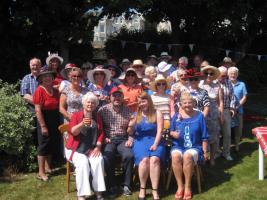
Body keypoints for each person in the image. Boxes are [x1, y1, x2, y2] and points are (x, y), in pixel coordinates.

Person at [65, 92, 106, 200]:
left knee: (98, 161)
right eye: (88, 102)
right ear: (84, 103)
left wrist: (98, 147)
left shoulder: (97, 117)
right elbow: (73, 132)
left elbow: (101, 133)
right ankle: (81, 194)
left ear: (95, 105)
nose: (90, 104)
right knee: (83, 163)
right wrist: (82, 124)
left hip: (91, 148)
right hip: (76, 149)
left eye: (93, 103)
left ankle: (98, 192)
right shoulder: (76, 115)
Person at [170, 92, 208, 200]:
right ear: (181, 104)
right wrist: (173, 134)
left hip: (195, 147)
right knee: (176, 156)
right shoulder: (176, 116)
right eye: (184, 103)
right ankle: (180, 186)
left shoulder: (199, 116)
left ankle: (187, 187)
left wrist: (205, 152)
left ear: (194, 103)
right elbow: (171, 131)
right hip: (179, 146)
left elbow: (205, 136)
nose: (187, 105)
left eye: (189, 102)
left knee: (187, 156)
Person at [97, 87, 134, 197]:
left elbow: (133, 127)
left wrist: (130, 139)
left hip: (123, 139)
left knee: (129, 155)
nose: (117, 98)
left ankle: (126, 184)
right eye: (114, 95)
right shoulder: (102, 110)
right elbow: (99, 128)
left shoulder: (128, 110)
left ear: (123, 97)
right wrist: (103, 138)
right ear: (110, 97)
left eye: (119, 96)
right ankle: (112, 185)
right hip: (109, 140)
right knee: (107, 157)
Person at [130, 92, 165, 200]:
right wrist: (131, 125)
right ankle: (142, 188)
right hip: (140, 141)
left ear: (149, 101)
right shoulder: (136, 115)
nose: (141, 104)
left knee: (154, 159)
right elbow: (130, 132)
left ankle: (155, 190)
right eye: (139, 102)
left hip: (156, 139)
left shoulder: (157, 113)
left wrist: (155, 144)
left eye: (143, 101)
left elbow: (160, 131)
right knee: (144, 160)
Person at [33, 68, 61, 181]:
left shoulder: (55, 90)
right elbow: (38, 110)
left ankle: (48, 167)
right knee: (43, 145)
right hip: (43, 119)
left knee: (51, 142)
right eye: (45, 76)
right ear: (40, 79)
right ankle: (41, 172)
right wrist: (43, 126)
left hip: (54, 119)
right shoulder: (39, 90)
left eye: (49, 76)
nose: (47, 78)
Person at [199, 65, 223, 166]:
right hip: (202, 114)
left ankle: (212, 158)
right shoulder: (200, 84)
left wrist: (221, 115)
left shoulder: (217, 86)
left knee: (213, 138)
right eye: (207, 73)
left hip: (213, 115)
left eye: (211, 73)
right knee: (202, 137)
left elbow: (220, 102)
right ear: (204, 74)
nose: (209, 75)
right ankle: (203, 157)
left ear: (214, 75)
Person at [20, 57, 41, 146]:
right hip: (31, 109)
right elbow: (24, 95)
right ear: (30, 66)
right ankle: (34, 151)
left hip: (45, 109)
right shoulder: (26, 78)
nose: (35, 67)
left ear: (40, 66)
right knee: (33, 131)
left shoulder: (44, 77)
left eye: (37, 65)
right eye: (33, 65)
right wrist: (39, 104)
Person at [218, 66, 236, 161]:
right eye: (221, 75)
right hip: (215, 111)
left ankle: (226, 153)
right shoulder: (213, 83)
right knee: (216, 133)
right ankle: (216, 152)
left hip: (226, 110)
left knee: (227, 133)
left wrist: (232, 108)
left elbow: (232, 97)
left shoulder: (228, 83)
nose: (223, 77)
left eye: (225, 76)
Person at [228, 66, 247, 152]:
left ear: (237, 74)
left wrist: (237, 107)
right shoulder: (225, 83)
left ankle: (236, 145)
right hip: (227, 111)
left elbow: (244, 97)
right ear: (228, 74)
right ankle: (227, 147)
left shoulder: (242, 84)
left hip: (239, 110)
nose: (233, 75)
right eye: (231, 73)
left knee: (238, 129)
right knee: (227, 129)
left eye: (235, 74)